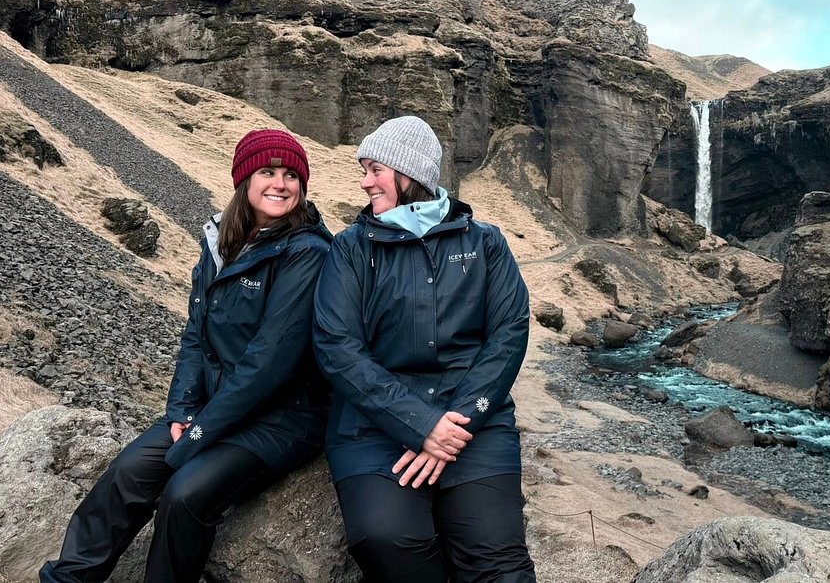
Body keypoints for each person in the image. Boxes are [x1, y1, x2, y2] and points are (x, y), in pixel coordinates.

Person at [41, 129, 332, 582]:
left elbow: (270, 361)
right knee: (128, 474)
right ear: (244, 180)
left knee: (184, 494)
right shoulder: (221, 242)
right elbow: (196, 336)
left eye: (292, 175)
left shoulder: (308, 253)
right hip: (212, 409)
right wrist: (181, 410)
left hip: (281, 419)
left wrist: (198, 434)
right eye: (268, 172)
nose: (280, 183)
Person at [313, 115, 535, 582]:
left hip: (473, 422)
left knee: (499, 561)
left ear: (409, 172)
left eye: (374, 169)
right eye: (364, 170)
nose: (364, 181)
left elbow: (508, 334)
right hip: (374, 427)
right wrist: (419, 424)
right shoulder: (351, 248)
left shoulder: (484, 242)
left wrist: (455, 424)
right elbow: (337, 346)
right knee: (384, 539)